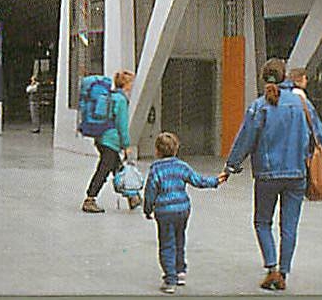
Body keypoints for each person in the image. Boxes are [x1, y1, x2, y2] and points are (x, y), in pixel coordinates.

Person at [224, 57, 322, 292]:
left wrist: (231, 166)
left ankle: (271, 267)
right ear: (285, 76)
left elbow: (245, 139)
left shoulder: (259, 106)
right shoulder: (302, 105)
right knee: (289, 226)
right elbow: (318, 134)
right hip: (297, 174)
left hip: (267, 176)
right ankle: (284, 271)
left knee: (262, 222)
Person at [142, 130, 226, 294]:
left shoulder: (155, 169)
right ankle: (181, 271)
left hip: (164, 212)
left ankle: (170, 279)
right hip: (183, 209)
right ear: (176, 150)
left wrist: (147, 209)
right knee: (180, 239)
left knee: (167, 244)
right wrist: (216, 180)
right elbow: (198, 180)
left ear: (157, 151)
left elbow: (150, 191)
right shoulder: (182, 166)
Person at [82, 69, 136, 214]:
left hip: (101, 138)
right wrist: (126, 145)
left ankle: (133, 196)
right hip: (111, 140)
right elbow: (122, 124)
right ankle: (90, 199)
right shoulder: (121, 100)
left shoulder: (111, 96)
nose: (132, 85)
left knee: (118, 168)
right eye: (131, 82)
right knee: (104, 170)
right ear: (126, 84)